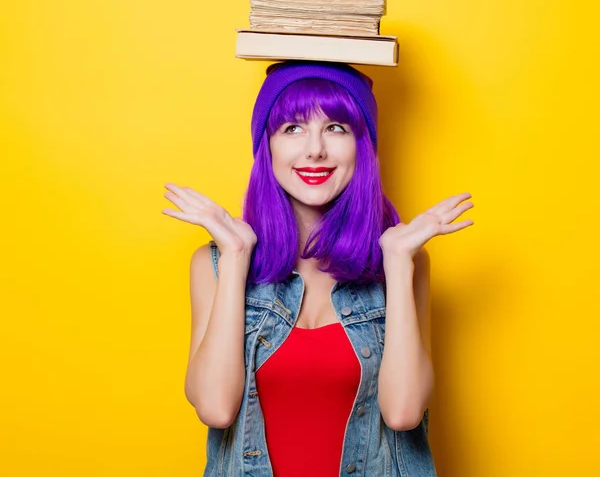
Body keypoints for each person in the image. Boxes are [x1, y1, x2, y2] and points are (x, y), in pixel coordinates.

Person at [162, 60, 474, 476]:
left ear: (363, 147)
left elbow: (404, 413)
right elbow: (215, 409)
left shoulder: (404, 263)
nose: (315, 149)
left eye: (336, 128)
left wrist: (398, 264)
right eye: (292, 128)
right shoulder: (215, 264)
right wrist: (236, 255)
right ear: (266, 146)